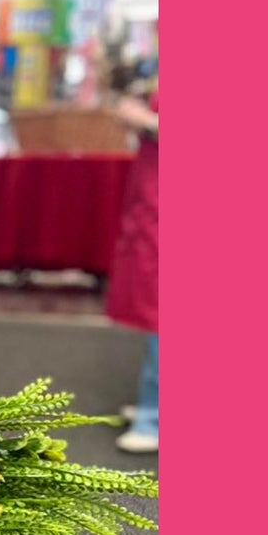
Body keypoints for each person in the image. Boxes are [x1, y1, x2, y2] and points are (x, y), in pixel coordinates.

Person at [106, 84, 159, 453]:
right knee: (152, 304)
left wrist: (147, 120)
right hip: (153, 193)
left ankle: (154, 416)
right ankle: (153, 404)